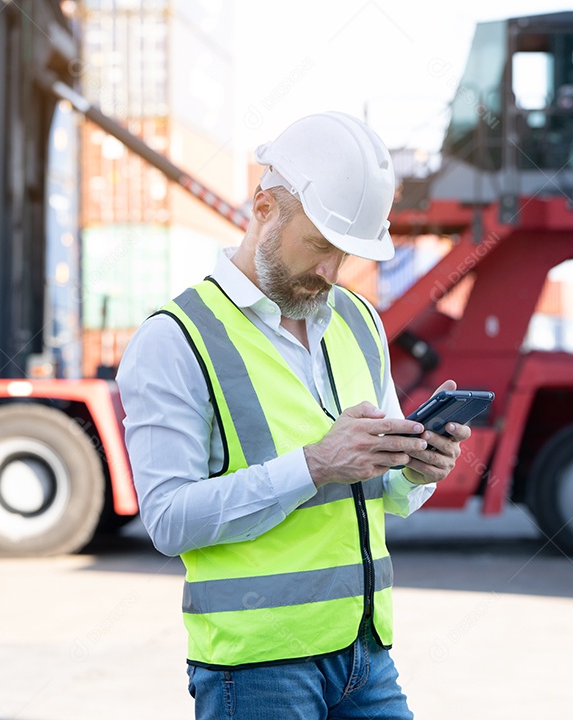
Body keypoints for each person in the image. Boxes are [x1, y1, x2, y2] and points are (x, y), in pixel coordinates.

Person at [116, 111, 472, 720]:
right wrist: (313, 465)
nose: (332, 272)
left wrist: (414, 470)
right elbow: (169, 521)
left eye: (347, 254)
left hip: (364, 653)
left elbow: (383, 489)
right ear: (263, 208)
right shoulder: (175, 340)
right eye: (319, 247)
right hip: (257, 671)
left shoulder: (359, 322)